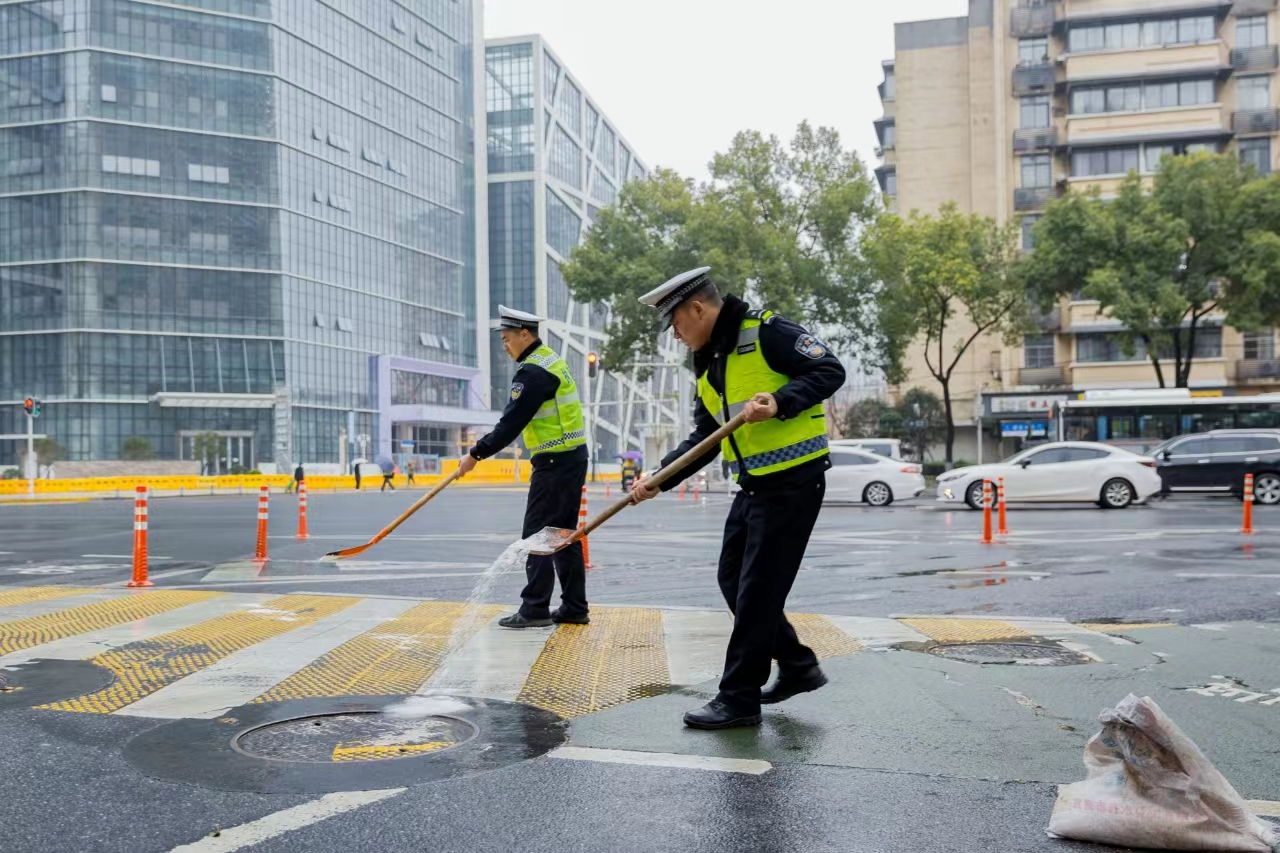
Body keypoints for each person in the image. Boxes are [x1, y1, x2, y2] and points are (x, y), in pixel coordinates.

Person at [631, 267, 846, 730]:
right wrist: (659, 478)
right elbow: (706, 436)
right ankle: (796, 664)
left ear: (698, 308)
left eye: (676, 322)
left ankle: (739, 698)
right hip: (756, 486)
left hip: (794, 482)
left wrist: (782, 399)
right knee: (733, 578)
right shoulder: (710, 362)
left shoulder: (768, 333)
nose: (675, 333)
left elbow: (830, 369)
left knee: (755, 593)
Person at [458, 305, 589, 628]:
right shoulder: (550, 360)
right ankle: (574, 607)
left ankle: (534, 609)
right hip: (570, 457)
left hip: (555, 461)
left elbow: (511, 423)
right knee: (563, 535)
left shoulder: (533, 372)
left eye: (506, 339)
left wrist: (475, 453)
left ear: (524, 334)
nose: (505, 347)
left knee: (537, 535)